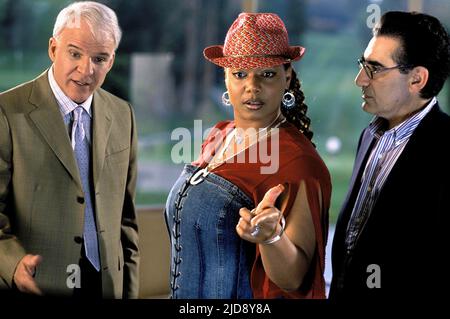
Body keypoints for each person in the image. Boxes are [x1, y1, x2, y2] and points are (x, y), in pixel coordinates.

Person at [165, 12, 331, 299]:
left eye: (266, 74)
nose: (252, 87)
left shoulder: (297, 162)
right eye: (240, 74)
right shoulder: (218, 135)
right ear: (226, 78)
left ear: (287, 76)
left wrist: (271, 238)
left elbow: (295, 279)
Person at [0, 1, 139, 298]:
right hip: (36, 283)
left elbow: (126, 222)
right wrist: (12, 265)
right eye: (75, 53)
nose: (86, 70)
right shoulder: (7, 112)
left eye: (99, 59)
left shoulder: (123, 114)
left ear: (111, 61)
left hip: (104, 285)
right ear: (53, 49)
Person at [330, 11, 450, 301]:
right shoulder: (369, 136)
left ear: (417, 79)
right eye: (363, 65)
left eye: (374, 68)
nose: (360, 79)